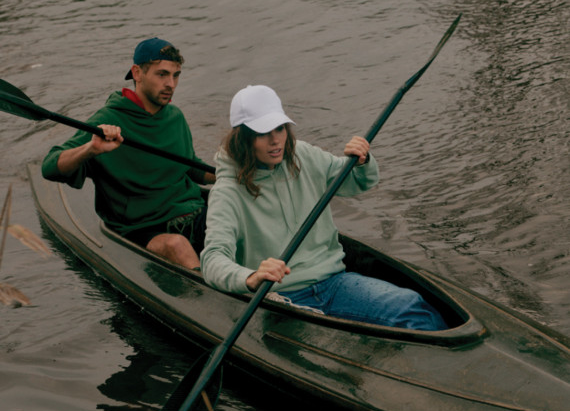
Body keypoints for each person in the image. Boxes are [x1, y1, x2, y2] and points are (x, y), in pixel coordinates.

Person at [200, 85, 447, 330]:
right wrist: (250, 277)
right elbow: (212, 260)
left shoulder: (302, 155)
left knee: (412, 307)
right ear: (243, 137)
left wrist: (361, 160)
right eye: (263, 132)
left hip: (334, 283)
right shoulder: (227, 192)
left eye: (280, 128)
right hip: (278, 299)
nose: (276, 140)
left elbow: (357, 182)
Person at [42, 37, 215, 270]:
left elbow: (190, 166)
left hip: (192, 212)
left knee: (243, 214)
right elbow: (50, 166)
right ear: (137, 73)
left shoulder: (175, 116)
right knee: (177, 246)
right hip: (145, 228)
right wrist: (90, 149)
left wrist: (233, 173)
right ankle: (211, 297)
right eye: (162, 74)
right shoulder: (108, 120)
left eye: (176, 75)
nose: (171, 84)